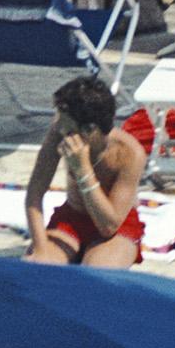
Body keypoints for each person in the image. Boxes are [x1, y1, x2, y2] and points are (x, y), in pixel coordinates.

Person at [22, 74, 148, 268]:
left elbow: (108, 226)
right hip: (72, 218)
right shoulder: (59, 132)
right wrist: (40, 247)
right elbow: (35, 193)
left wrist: (83, 171)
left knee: (96, 276)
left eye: (66, 126)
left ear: (90, 130)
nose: (59, 127)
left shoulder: (130, 153)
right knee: (37, 270)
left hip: (116, 226)